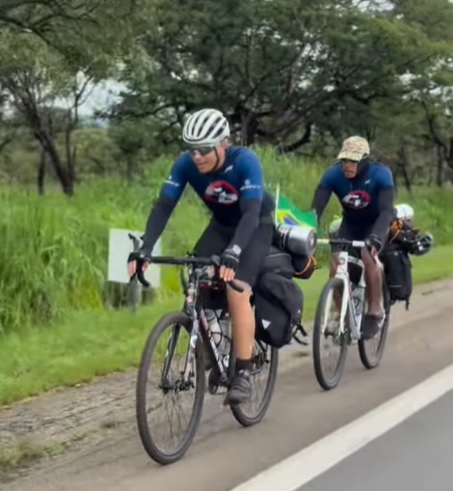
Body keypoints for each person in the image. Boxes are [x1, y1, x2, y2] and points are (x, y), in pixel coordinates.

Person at [127, 108, 275, 404]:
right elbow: (164, 207)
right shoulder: (185, 164)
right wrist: (146, 248)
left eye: (204, 149)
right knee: (195, 280)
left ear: (223, 144)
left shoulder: (245, 161)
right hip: (220, 226)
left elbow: (250, 214)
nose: (197, 156)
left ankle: (244, 372)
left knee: (237, 290)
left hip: (255, 225)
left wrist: (234, 252)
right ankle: (212, 345)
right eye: (191, 149)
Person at [310, 136, 395, 339]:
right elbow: (316, 209)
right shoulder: (333, 175)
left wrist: (376, 237)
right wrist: (309, 228)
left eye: (353, 161)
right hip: (350, 225)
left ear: (364, 160)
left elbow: (386, 212)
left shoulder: (381, 175)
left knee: (368, 256)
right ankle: (341, 315)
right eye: (344, 160)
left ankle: (375, 311)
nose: (347, 165)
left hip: (376, 224)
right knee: (335, 263)